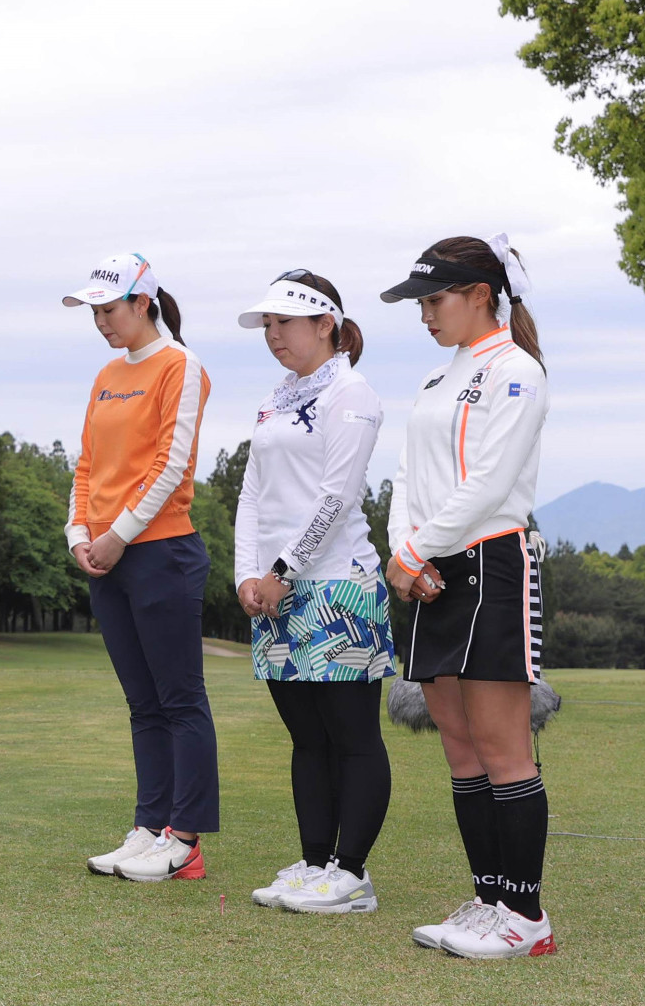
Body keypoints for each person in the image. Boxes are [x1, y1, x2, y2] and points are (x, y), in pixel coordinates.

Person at [381, 233, 555, 959]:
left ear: (481, 295)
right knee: (459, 747)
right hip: (426, 571)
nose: (425, 314)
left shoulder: (517, 371)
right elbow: (405, 477)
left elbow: (487, 483)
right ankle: (487, 900)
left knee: (503, 748)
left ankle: (527, 916)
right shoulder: (435, 380)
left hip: (490, 566)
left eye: (436, 299)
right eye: (421, 302)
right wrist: (404, 551)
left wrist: (419, 550)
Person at [233, 270, 395, 914]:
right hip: (275, 589)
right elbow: (252, 492)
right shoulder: (278, 397)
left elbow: (337, 497)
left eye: (284, 323)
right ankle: (313, 862)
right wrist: (247, 573)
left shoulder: (351, 392)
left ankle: (350, 873)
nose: (272, 335)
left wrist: (282, 570)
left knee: (351, 736)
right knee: (306, 738)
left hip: (337, 588)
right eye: (266, 325)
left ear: (324, 324)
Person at [63, 253, 219, 881]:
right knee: (142, 703)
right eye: (95, 312)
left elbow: (171, 464)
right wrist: (79, 533)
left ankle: (184, 840)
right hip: (107, 556)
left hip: (161, 551)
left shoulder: (180, 365)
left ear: (142, 303)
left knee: (180, 699)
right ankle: (148, 826)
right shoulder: (105, 373)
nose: (100, 321)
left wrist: (119, 535)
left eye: (109, 309)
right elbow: (86, 464)